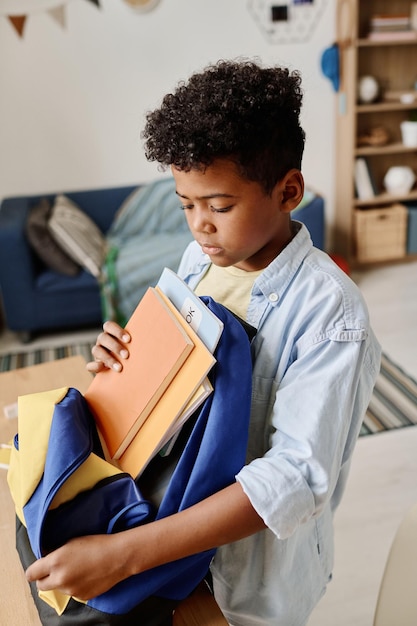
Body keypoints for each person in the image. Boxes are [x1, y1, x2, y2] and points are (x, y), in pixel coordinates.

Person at [26, 59, 381, 625]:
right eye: (185, 204)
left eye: (219, 206)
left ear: (289, 191)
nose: (200, 226)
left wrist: (121, 556)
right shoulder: (198, 263)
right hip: (166, 532)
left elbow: (293, 479)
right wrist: (123, 360)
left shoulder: (330, 313)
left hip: (241, 583)